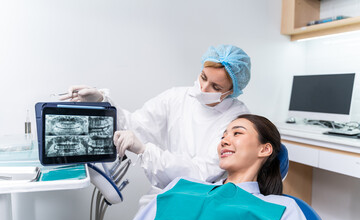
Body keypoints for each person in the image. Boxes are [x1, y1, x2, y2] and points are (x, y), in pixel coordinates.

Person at [60, 45, 251, 206]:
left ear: (233, 90)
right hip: (163, 194)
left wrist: (145, 151)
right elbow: (136, 125)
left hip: (204, 200)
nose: (203, 88)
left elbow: (202, 173)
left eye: (216, 87)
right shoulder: (177, 98)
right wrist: (102, 102)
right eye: (203, 77)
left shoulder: (237, 119)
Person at [119, 114, 314, 220]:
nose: (224, 141)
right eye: (222, 136)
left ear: (265, 149)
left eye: (237, 133)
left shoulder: (279, 208)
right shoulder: (180, 186)